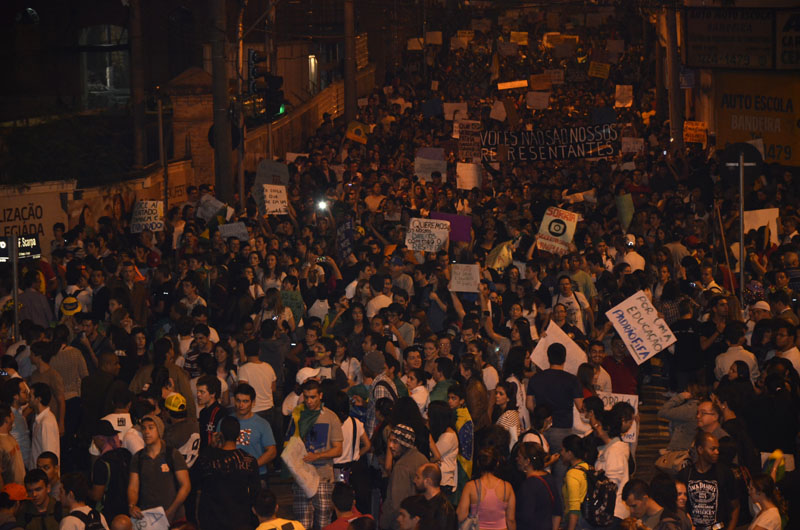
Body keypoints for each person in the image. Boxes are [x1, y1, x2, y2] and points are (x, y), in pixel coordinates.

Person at [286, 380, 343, 530]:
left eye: (313, 397)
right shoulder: (297, 415)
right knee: (303, 523)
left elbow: (338, 450)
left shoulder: (331, 417)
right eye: (306, 397)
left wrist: (317, 456)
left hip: (323, 476)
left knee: (324, 522)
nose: (309, 401)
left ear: (320, 396)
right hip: (302, 476)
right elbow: (290, 444)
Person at [526, 343, 583, 488]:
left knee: (538, 469)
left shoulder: (536, 379)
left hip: (540, 430)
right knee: (560, 474)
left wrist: (541, 416)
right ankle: (558, 506)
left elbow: (529, 404)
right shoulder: (572, 380)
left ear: (548, 357)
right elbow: (580, 406)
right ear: (564, 358)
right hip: (562, 430)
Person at [194, 416, 260, 530]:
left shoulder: (207, 459)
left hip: (212, 520)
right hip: (240, 520)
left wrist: (212, 446)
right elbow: (255, 493)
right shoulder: (249, 461)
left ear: (221, 434)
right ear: (238, 435)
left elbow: (196, 480)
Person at [127, 414, 190, 524]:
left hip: (175, 517)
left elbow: (186, 485)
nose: (146, 432)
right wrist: (132, 505)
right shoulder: (138, 458)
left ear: (159, 430)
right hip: (148, 519)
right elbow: (133, 487)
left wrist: (171, 511)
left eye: (151, 427)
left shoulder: (172, 454)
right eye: (143, 428)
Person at [677, 432, 739, 530]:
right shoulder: (685, 474)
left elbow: (735, 506)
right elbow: (678, 506)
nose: (717, 452)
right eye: (713, 449)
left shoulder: (724, 473)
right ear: (700, 450)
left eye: (718, 449)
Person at [379, 425, 428, 530]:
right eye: (390, 441)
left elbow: (396, 504)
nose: (391, 446)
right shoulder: (422, 458)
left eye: (395, 442)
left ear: (404, 444)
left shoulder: (401, 467)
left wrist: (384, 524)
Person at [456, 448, 516, 530]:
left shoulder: (471, 486)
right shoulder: (507, 487)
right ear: (497, 464)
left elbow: (461, 516)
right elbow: (511, 520)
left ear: (478, 464)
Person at [230, 383, 277, 482]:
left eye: (245, 401)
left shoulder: (262, 424)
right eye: (238, 400)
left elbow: (272, 451)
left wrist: (253, 465)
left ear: (253, 402)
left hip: (257, 475)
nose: (241, 405)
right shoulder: (226, 421)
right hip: (232, 475)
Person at [87, 420, 130, 522]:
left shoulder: (101, 463)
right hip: (127, 511)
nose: (94, 443)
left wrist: (85, 490)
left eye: (94, 440)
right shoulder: (126, 454)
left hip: (109, 514)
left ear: (100, 439)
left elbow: (97, 495)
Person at [515, 442, 562, 530]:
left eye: (519, 457)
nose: (517, 459)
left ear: (527, 461)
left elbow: (526, 518)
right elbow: (557, 511)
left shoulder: (528, 485)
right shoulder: (549, 478)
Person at [595, 410, 630, 521]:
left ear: (608, 428)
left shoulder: (615, 450)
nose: (595, 427)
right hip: (608, 510)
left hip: (613, 512)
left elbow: (612, 483)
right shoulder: (609, 449)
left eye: (599, 425)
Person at [559, 435, 591, 530]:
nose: (561, 453)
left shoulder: (572, 474)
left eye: (562, 450)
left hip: (577, 522)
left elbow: (574, 508)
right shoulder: (587, 467)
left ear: (570, 453)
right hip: (588, 520)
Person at [413, 463, 457, 530]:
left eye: (418, 477)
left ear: (428, 481)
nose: (414, 480)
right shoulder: (420, 501)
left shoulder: (444, 510)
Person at [29, 384, 60, 470]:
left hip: (43, 475)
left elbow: (48, 453)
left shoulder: (46, 422)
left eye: (30, 396)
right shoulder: (39, 418)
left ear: (38, 399)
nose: (28, 399)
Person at [195, 375, 227, 451]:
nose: (198, 395)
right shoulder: (203, 412)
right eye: (198, 391)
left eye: (202, 392)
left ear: (213, 394)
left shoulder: (221, 412)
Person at [0, 403, 25, 488]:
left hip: (21, 490)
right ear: (7, 419)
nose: (13, 417)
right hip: (10, 494)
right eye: (12, 414)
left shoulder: (9, 435)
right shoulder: (1, 442)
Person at [491, 381, 521, 450]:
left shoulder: (508, 415)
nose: (497, 396)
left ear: (508, 398)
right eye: (496, 393)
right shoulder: (500, 411)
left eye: (501, 394)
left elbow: (501, 439)